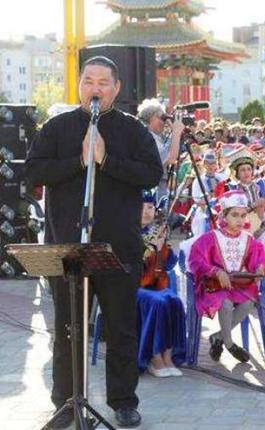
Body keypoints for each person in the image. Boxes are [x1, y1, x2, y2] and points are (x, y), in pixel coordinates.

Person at [25, 56, 163, 428]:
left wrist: (106, 160)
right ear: (79, 85)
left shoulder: (133, 131)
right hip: (68, 247)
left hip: (119, 250)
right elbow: (34, 171)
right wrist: (78, 160)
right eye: (89, 81)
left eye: (104, 82)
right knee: (68, 330)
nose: (96, 88)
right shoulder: (58, 127)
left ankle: (123, 401)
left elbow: (153, 172)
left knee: (120, 329)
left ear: (116, 88)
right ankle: (66, 402)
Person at [188, 190, 265, 363]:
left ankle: (218, 337)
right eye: (235, 215)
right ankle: (229, 343)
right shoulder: (211, 238)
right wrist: (216, 271)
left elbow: (261, 255)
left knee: (249, 301)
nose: (240, 220)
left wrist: (261, 266)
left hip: (238, 285)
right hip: (215, 285)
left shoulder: (248, 238)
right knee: (225, 303)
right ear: (224, 216)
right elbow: (195, 259)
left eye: (243, 215)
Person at [138, 191, 186, 377]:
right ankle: (153, 356)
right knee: (157, 303)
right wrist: (150, 249)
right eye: (141, 207)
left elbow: (169, 264)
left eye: (150, 207)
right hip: (134, 287)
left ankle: (168, 356)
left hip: (154, 284)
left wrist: (164, 247)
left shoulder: (157, 231)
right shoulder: (127, 233)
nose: (146, 212)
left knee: (174, 301)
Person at [137, 98, 185, 204]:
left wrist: (175, 131)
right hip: (153, 188)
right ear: (150, 118)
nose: (164, 121)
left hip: (157, 186)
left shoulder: (155, 137)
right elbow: (171, 158)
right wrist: (176, 132)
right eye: (161, 117)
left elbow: (170, 150)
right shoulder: (148, 137)